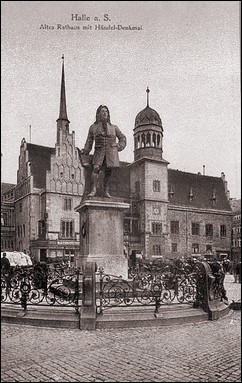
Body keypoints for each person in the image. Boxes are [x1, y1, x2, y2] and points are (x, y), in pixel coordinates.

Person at [81, 105, 126, 197]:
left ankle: (106, 191)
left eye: (106, 111)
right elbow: (89, 141)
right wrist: (86, 150)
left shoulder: (114, 127)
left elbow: (123, 138)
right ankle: (93, 190)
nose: (105, 113)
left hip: (111, 153)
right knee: (96, 168)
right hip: (99, 151)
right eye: (103, 111)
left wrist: (119, 146)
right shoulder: (93, 127)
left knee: (109, 171)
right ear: (98, 114)